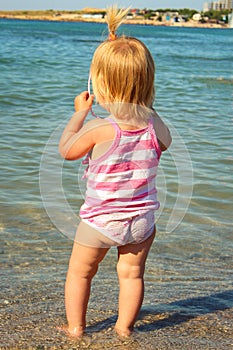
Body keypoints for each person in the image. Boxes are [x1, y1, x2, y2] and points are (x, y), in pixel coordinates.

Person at [58, 6, 172, 338]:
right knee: (132, 275)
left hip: (100, 221)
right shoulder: (154, 124)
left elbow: (67, 150)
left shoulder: (99, 128)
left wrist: (79, 114)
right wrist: (145, 106)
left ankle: (77, 329)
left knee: (80, 274)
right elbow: (166, 144)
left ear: (102, 88)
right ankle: (123, 330)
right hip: (141, 221)